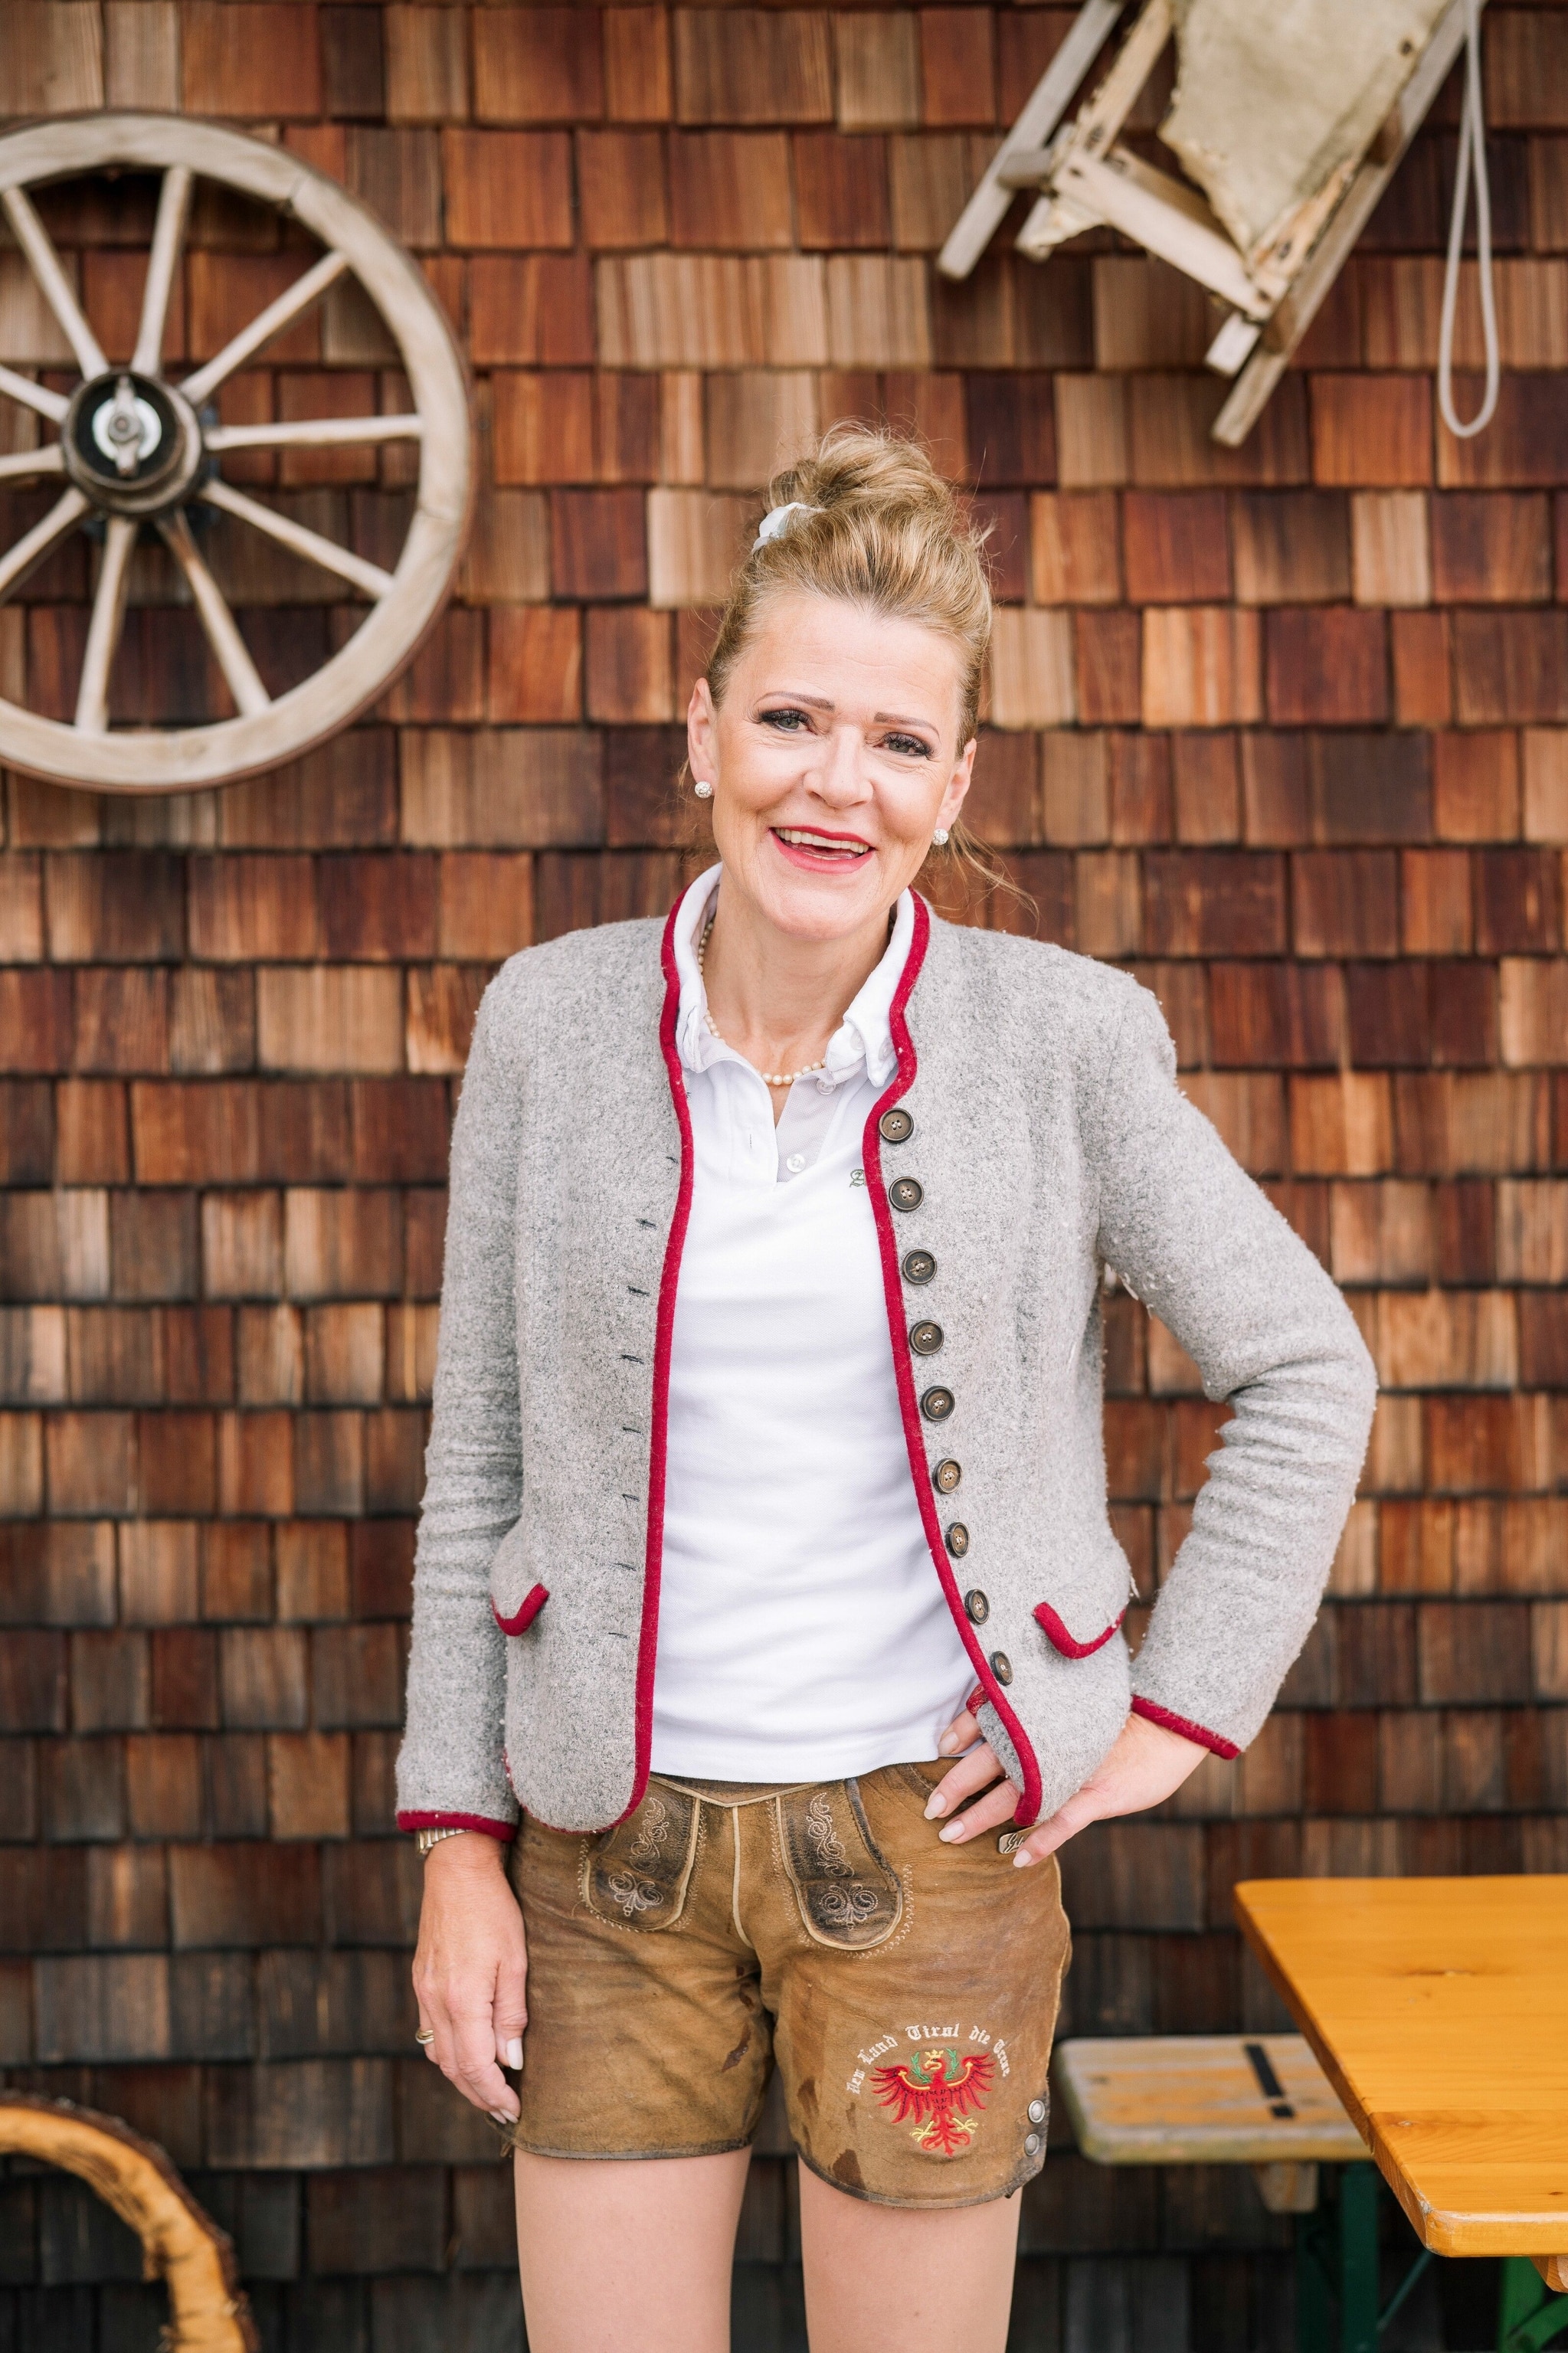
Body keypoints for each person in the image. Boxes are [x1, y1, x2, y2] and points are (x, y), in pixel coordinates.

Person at [395, 427, 1377, 2353]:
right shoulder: (547, 1024)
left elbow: (1303, 1364)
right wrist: (455, 1844)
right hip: (600, 1854)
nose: (836, 781)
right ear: (700, 732)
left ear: (955, 782)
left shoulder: (1063, 1040)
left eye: (898, 741)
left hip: (933, 1850)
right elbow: (480, 1460)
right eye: (790, 719)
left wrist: (1158, 1720)